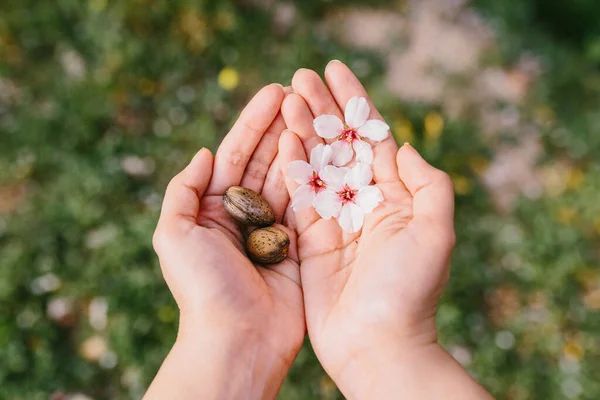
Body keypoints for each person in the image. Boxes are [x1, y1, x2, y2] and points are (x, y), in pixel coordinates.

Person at [144, 61, 494, 399]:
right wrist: (388, 343)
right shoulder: (315, 189)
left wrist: (390, 339)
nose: (349, 136)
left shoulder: (344, 182)